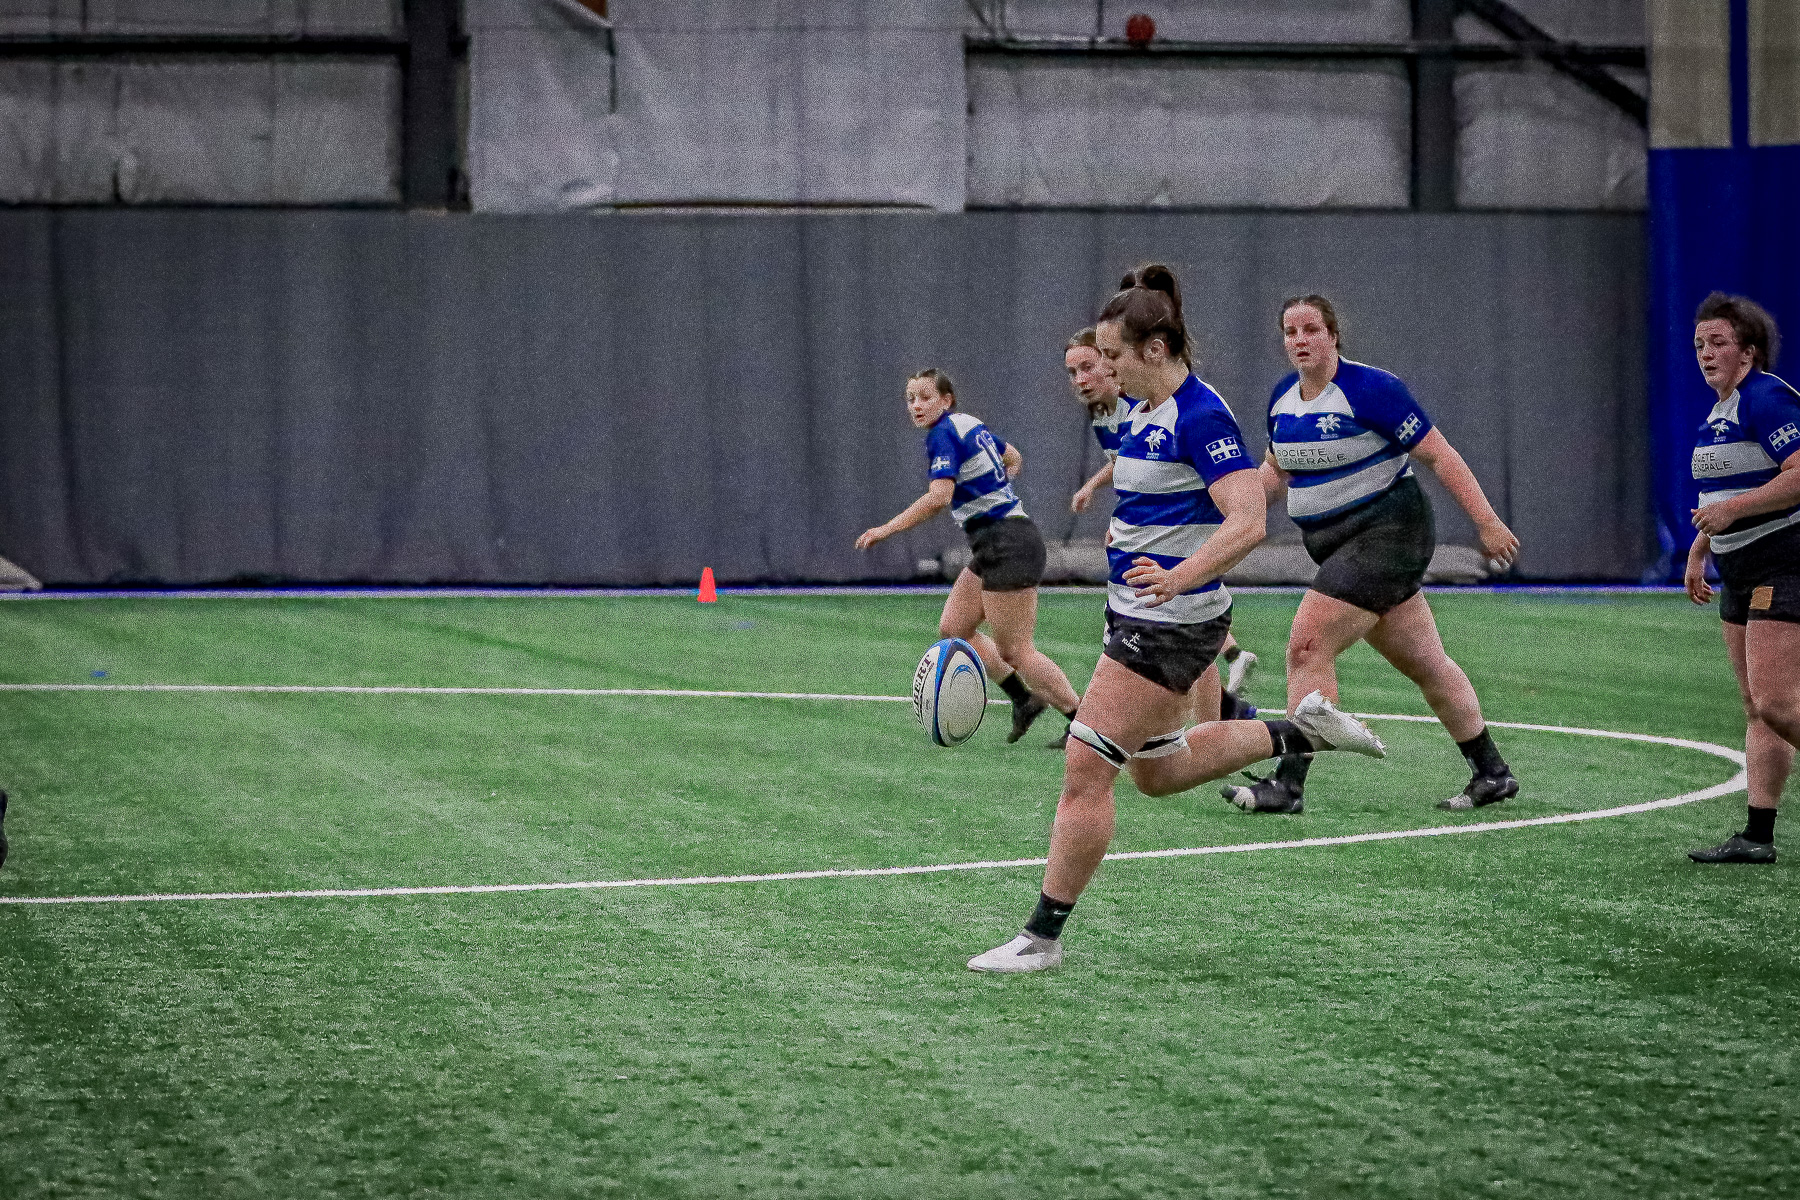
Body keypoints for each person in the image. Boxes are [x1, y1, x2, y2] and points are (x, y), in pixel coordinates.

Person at [968, 266, 1388, 974]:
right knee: (1157, 773)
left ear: (1155, 349)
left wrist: (1178, 576)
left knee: (1086, 766)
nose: (1105, 369)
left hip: (1169, 623)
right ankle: (1302, 730)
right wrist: (1127, 535)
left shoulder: (1200, 416)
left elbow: (1248, 519)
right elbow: (1159, 500)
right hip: (1138, 613)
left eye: (1114, 356)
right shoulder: (1140, 412)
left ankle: (1040, 939)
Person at [1223, 295, 1520, 815]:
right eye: (1291, 332)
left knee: (1308, 646)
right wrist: (1219, 512)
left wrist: (1488, 521)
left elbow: (1439, 456)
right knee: (1427, 663)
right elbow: (1273, 473)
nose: (1300, 340)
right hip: (1343, 551)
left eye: (1311, 329)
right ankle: (1492, 772)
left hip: (1390, 535)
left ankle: (1288, 786)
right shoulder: (1282, 400)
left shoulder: (1372, 389)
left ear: (1334, 335)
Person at [856, 368, 1081, 742]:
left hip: (1007, 544)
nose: (916, 405)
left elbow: (939, 498)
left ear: (946, 400)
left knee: (1015, 650)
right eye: (910, 399)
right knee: (954, 628)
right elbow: (1013, 457)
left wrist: (886, 529)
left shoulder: (942, 434)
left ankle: (1082, 722)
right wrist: (998, 487)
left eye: (925, 397)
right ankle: (1023, 700)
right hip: (999, 541)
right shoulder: (966, 424)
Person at [1066, 327, 1260, 702]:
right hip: (1139, 582)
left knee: (1189, 608)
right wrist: (1119, 516)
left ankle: (1238, 673)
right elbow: (1132, 471)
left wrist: (1176, 576)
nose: (1082, 379)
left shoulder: (1160, 406)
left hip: (1173, 558)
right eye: (1073, 372)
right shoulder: (1105, 413)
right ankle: (1230, 716)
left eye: (1091, 364)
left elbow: (1245, 515)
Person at [1683, 293, 1800, 864]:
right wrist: (1699, 549)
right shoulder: (1720, 412)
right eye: (1699, 344)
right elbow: (1723, 497)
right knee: (1757, 708)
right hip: (1739, 570)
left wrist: (1732, 511)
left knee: (1778, 703)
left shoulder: (1766, 398)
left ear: (1748, 352)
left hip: (1784, 562)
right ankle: (1757, 836)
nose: (1706, 353)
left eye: (1718, 343)